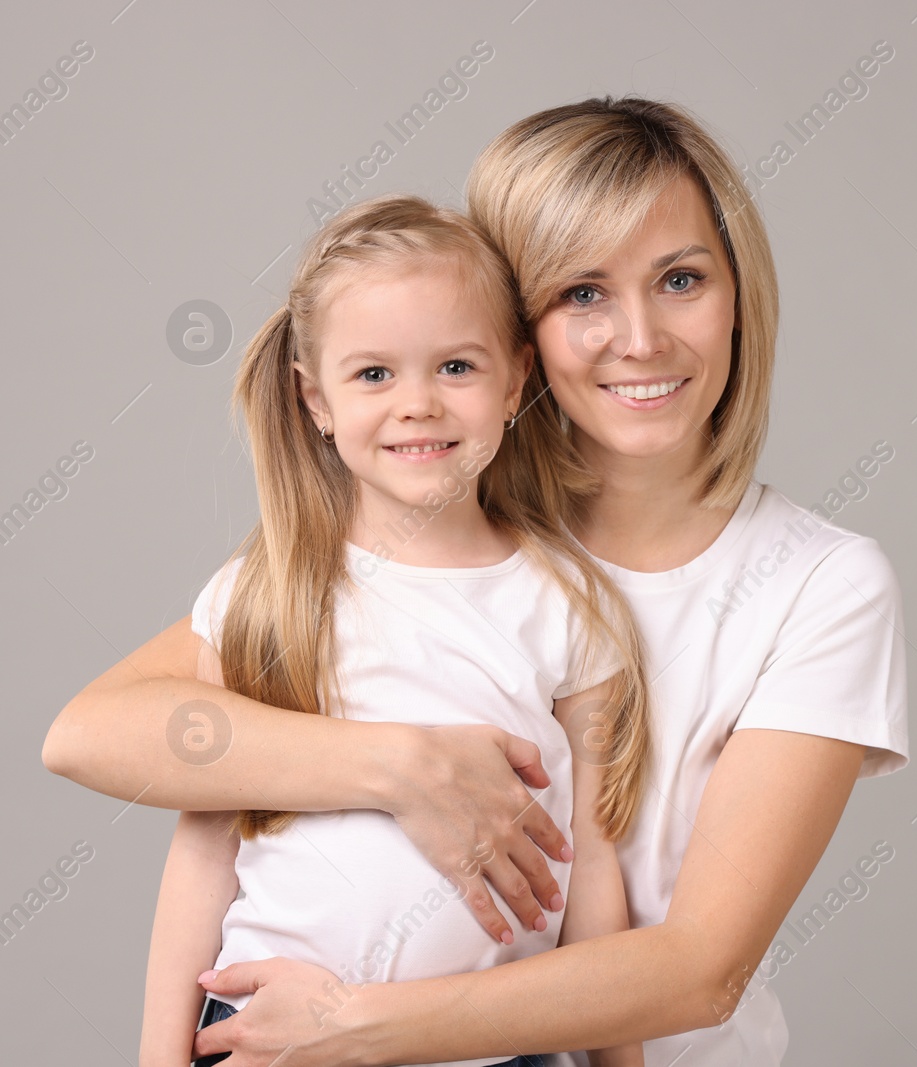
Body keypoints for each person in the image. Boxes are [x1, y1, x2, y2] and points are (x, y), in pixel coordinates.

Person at [43, 95, 910, 1067]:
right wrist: (402, 767)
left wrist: (348, 1026)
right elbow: (99, 734)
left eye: (680, 278)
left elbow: (697, 967)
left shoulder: (818, 582)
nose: (639, 336)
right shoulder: (406, 547)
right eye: (582, 291)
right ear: (518, 327)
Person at [136, 192, 652, 1067]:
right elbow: (203, 851)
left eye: (456, 366)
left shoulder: (568, 604)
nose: (418, 404)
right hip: (266, 1041)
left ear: (516, 378)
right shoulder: (269, 596)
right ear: (316, 399)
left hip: (494, 1052)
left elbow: (595, 872)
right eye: (374, 375)